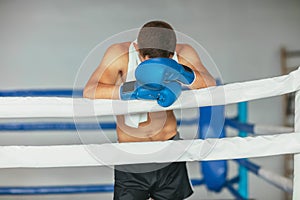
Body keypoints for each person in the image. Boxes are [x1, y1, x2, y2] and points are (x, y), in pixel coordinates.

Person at [83, 20, 216, 200]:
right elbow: (90, 90)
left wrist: (184, 72)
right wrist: (131, 90)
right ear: (138, 49)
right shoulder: (120, 54)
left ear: (172, 53)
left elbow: (210, 85)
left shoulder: (183, 54)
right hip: (131, 154)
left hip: (170, 149)